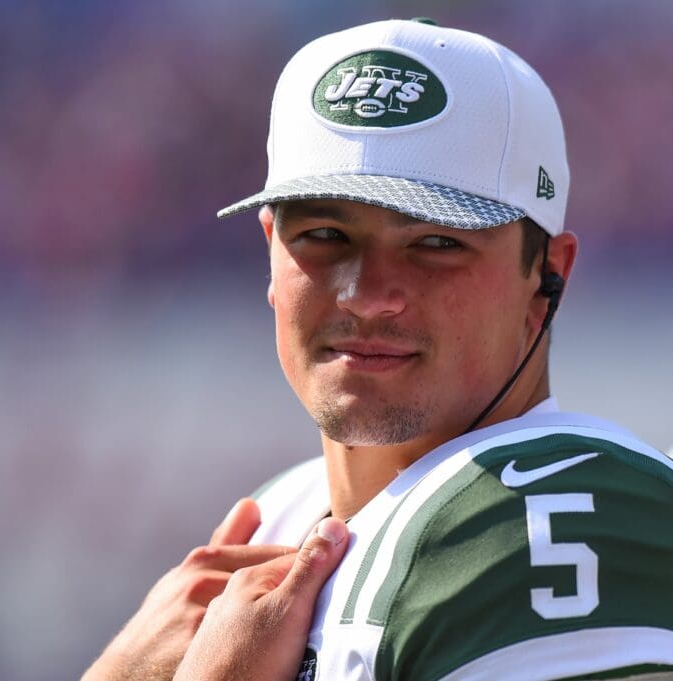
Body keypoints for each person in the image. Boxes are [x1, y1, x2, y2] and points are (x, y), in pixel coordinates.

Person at [84, 18, 673, 681]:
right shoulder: (277, 513)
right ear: (269, 252)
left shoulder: (569, 516)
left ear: (545, 275)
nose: (367, 294)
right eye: (326, 233)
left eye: (436, 243)